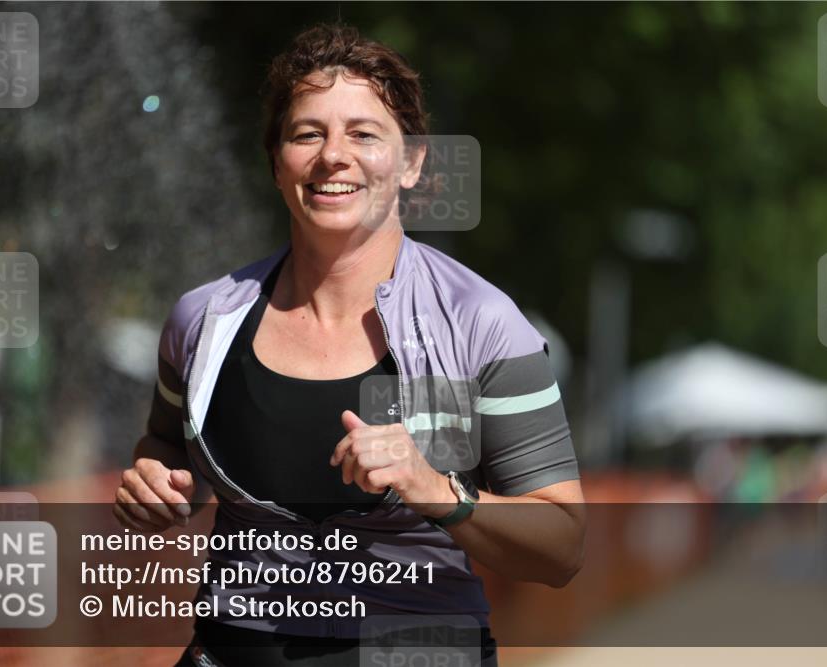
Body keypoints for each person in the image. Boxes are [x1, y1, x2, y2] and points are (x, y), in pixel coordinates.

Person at [114, 22, 586, 667]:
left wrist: (436, 489)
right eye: (308, 133)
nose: (334, 155)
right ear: (276, 162)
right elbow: (169, 446)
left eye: (364, 134)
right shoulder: (203, 320)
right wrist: (160, 486)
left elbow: (561, 546)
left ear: (413, 162)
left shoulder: (480, 322)